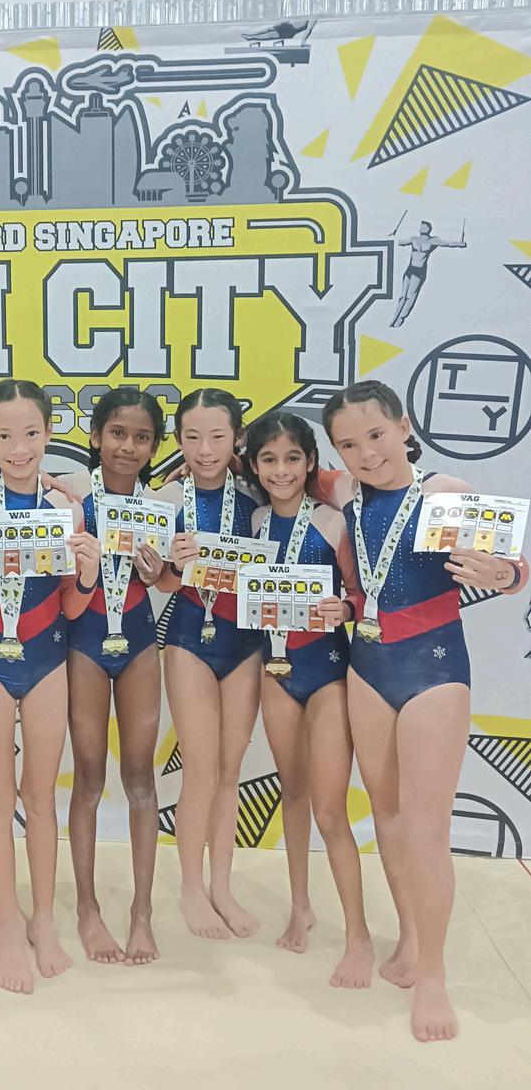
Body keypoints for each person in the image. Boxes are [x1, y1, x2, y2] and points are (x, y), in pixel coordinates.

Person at [320, 379, 528, 1041]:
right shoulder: (346, 492)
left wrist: (506, 576)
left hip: (433, 671)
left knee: (426, 829)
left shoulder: (446, 493)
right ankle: (411, 937)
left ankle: (434, 977)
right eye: (348, 444)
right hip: (367, 668)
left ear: (404, 426)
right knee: (385, 815)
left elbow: (512, 565)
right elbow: (290, 469)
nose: (366, 454)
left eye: (376, 436)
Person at [0, 379, 100, 994]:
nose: (19, 448)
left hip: (48, 661)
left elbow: (70, 607)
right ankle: (9, 929)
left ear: (49, 433)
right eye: (5, 436)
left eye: (31, 434)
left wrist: (88, 576)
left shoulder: (68, 507)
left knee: (40, 799)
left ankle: (44, 919)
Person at [243, 410, 372, 987]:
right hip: (275, 672)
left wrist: (345, 608)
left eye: (292, 458)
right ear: (254, 466)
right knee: (291, 793)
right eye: (269, 459)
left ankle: (358, 936)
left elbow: (361, 594)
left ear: (311, 462)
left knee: (330, 809)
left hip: (327, 675)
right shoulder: (251, 522)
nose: (281, 470)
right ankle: (301, 905)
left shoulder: (333, 521)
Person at [62, 388, 166, 965]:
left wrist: (160, 572)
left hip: (139, 641)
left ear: (154, 446)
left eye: (142, 437)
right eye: (118, 433)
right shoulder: (68, 496)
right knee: (88, 778)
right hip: (82, 641)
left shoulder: (161, 504)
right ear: (97, 435)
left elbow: (168, 579)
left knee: (141, 779)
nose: (128, 446)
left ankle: (142, 913)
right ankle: (87, 908)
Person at [155, 388, 263, 940]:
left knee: (229, 771)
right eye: (192, 437)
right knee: (199, 769)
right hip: (188, 639)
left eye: (217, 437)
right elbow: (158, 581)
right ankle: (190, 888)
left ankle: (222, 885)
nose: (204, 450)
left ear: (237, 438)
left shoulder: (259, 495)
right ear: (178, 439)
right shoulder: (167, 499)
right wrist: (172, 567)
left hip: (246, 642)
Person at [390, 220, 466, 328]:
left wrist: (459, 244)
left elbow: (448, 243)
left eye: (423, 227)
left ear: (428, 229)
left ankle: (401, 319)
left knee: (410, 297)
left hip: (419, 271)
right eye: (420, 227)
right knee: (402, 296)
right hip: (409, 269)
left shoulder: (433, 240)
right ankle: (394, 317)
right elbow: (400, 242)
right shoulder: (414, 239)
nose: (421, 228)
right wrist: (392, 236)